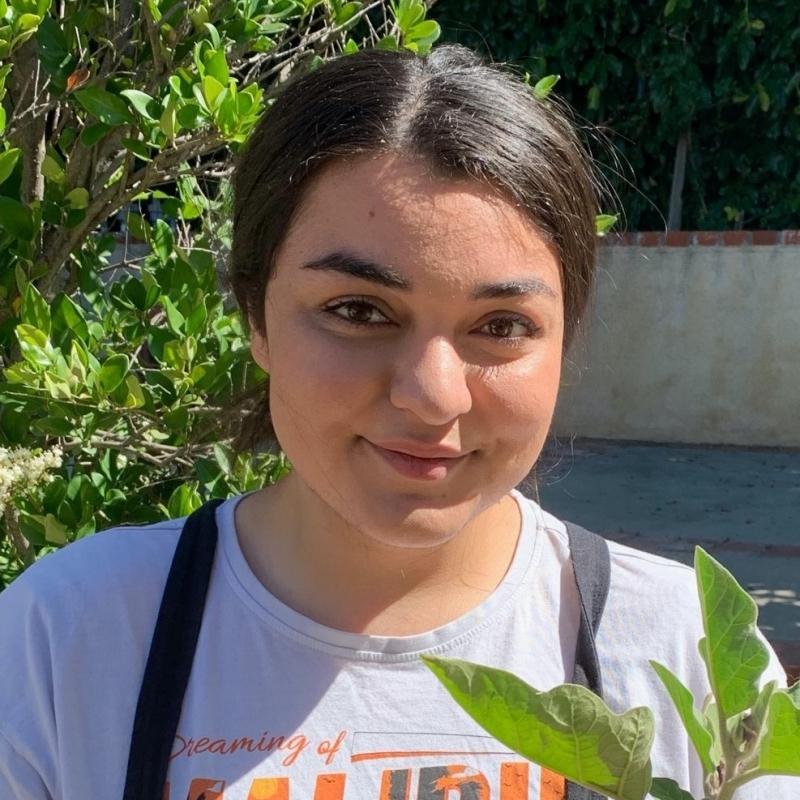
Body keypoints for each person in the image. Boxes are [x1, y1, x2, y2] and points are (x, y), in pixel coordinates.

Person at [0, 44, 794, 800]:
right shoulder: (71, 639)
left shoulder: (675, 647)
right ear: (255, 316)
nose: (433, 396)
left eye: (502, 325)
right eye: (358, 310)